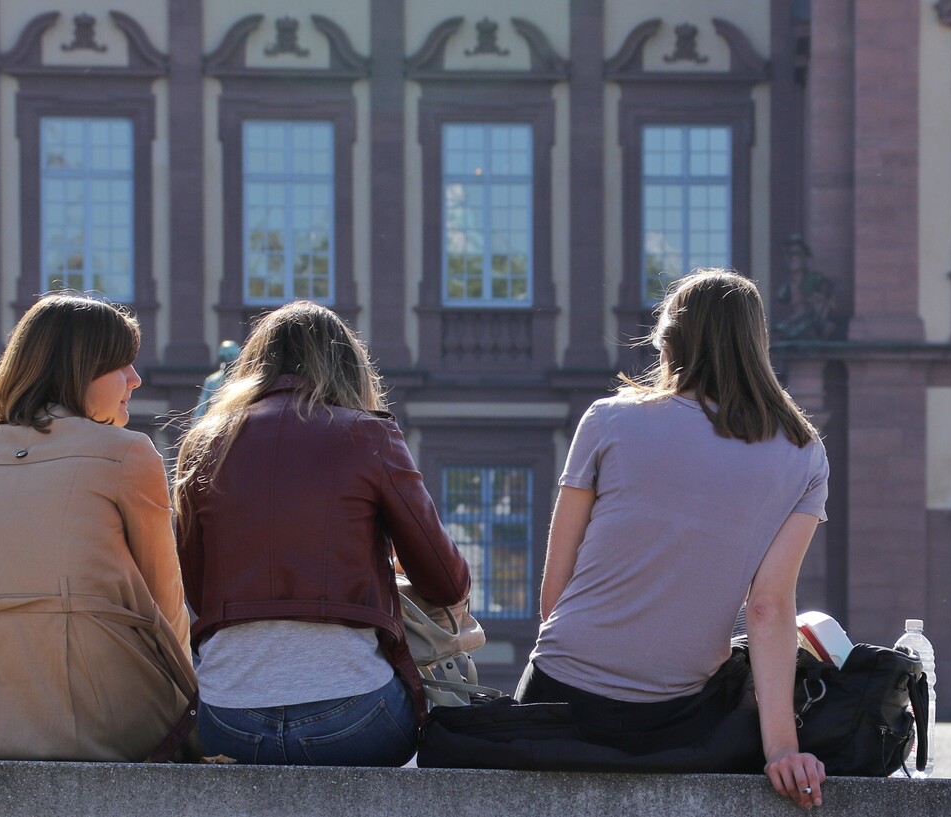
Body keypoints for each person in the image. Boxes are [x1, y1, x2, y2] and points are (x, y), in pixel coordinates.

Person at [525, 269, 831, 808]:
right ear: (755, 346)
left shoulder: (608, 420)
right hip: (677, 716)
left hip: (560, 696)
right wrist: (783, 749)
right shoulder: (803, 453)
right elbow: (767, 608)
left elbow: (555, 598)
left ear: (669, 341)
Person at [0, 293, 196, 817]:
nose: (135, 379)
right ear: (81, 368)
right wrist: (190, 699)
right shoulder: (128, 452)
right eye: (121, 363)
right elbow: (165, 599)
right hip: (102, 691)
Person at [174, 301, 470, 767]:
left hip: (228, 718)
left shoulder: (206, 442)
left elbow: (194, 587)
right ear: (348, 367)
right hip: (355, 715)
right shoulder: (368, 435)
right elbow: (447, 584)